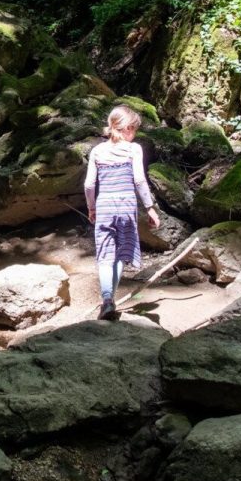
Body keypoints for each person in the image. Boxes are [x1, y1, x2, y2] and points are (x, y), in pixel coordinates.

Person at [84, 105, 161, 320]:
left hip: (104, 205)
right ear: (127, 128)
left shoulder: (97, 151)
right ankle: (110, 301)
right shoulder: (133, 149)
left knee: (105, 253)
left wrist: (91, 207)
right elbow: (139, 180)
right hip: (126, 205)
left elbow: (89, 185)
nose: (134, 134)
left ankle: (107, 300)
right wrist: (150, 208)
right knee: (120, 252)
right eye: (134, 129)